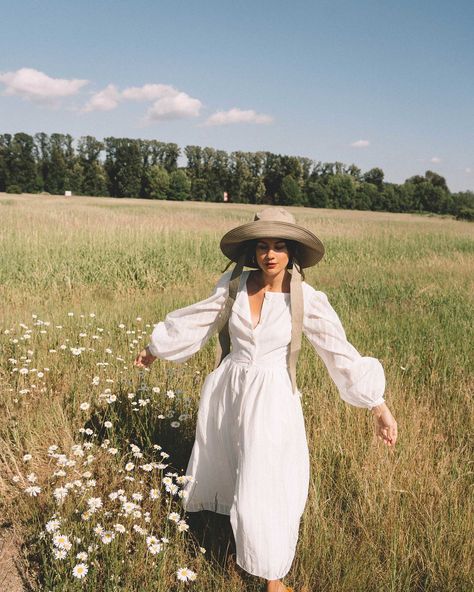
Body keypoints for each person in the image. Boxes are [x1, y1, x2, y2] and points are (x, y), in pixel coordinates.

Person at [134, 207, 397, 592]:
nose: (269, 255)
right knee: (235, 471)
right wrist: (155, 349)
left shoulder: (304, 298)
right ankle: (233, 548)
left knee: (268, 482)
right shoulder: (233, 284)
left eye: (278, 247)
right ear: (253, 251)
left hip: (273, 399)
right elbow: (200, 320)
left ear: (292, 253)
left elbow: (339, 353)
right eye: (262, 246)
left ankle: (273, 577)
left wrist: (379, 407)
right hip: (228, 391)